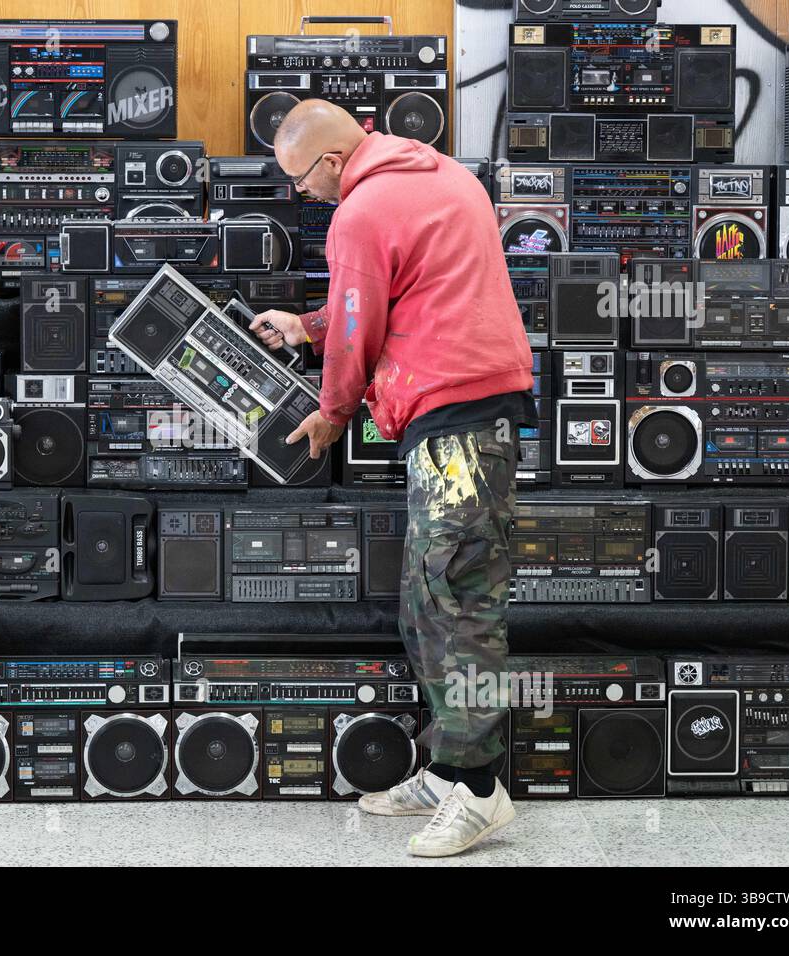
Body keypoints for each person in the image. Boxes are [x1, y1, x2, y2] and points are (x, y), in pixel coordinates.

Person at [249, 99, 536, 858]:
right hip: (467, 412)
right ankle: (448, 771)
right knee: (425, 602)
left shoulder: (361, 210)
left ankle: (479, 793)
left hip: (460, 420)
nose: (301, 195)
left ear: (334, 159)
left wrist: (332, 414)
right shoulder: (439, 173)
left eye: (301, 179)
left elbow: (355, 333)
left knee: (458, 605)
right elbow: (393, 295)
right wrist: (303, 324)